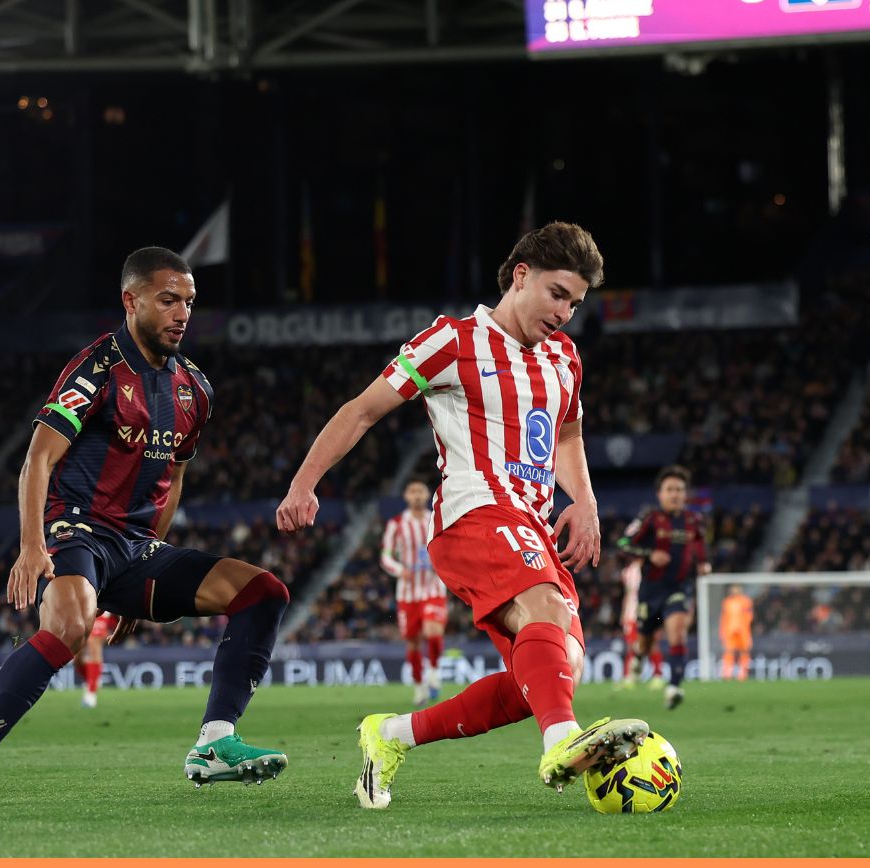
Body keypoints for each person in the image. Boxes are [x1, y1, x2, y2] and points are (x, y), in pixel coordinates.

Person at [277, 221, 648, 809]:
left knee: (552, 671)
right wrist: (304, 483)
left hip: (530, 523)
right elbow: (363, 410)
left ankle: (391, 734)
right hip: (474, 513)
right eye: (557, 294)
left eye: (575, 304)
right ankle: (561, 742)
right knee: (546, 614)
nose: (565, 314)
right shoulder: (452, 340)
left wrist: (585, 502)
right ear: (520, 276)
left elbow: (568, 434)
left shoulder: (565, 358)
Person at [0, 247, 291, 809]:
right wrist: (31, 546)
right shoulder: (96, 368)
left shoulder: (195, 389)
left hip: (136, 546)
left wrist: (150, 558)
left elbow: (172, 478)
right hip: (78, 530)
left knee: (263, 592)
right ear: (131, 300)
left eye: (189, 302)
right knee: (71, 626)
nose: (182, 313)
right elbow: (38, 459)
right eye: (168, 300)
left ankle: (215, 743)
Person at [615, 465, 712, 710]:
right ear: (660, 494)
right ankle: (639, 656)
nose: (675, 494)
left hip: (679, 587)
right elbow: (623, 543)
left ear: (685, 494)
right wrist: (650, 554)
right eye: (670, 489)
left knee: (677, 632)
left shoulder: (693, 521)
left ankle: (674, 687)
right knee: (645, 641)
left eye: (679, 489)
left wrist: (704, 563)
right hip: (651, 591)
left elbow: (700, 546)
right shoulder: (649, 518)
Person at [380, 478, 448, 706]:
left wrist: (444, 564)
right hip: (407, 593)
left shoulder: (437, 519)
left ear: (427, 495)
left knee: (433, 632)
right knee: (413, 643)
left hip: (433, 587)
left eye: (420, 491)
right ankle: (419, 686)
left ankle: (435, 671)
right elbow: (385, 556)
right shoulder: (397, 524)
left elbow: (449, 547)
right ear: (406, 496)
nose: (417, 495)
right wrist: (400, 570)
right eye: (412, 491)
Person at [617, 561, 663, 688]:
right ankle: (630, 677)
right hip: (631, 613)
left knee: (651, 643)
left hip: (649, 611)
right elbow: (628, 594)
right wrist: (624, 613)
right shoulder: (628, 571)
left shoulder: (653, 568)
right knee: (631, 645)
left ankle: (657, 676)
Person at [719, 584, 754, 681]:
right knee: (729, 652)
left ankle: (743, 673)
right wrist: (722, 632)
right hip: (729, 631)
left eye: (736, 588)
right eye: (733, 588)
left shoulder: (746, 601)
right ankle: (727, 673)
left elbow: (749, 616)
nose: (734, 590)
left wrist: (744, 626)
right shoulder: (726, 602)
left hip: (743, 631)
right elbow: (723, 618)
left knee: (744, 651)